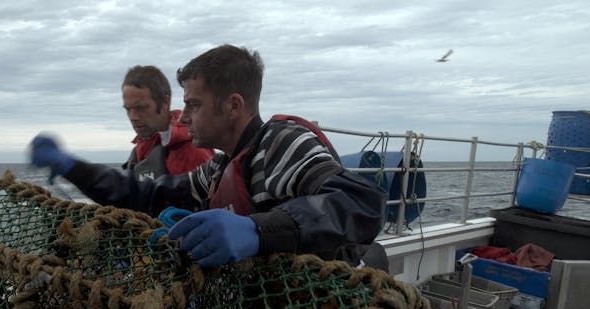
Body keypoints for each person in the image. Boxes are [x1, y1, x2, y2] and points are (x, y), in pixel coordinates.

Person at [30, 45, 386, 267]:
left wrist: (257, 229)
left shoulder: (282, 144)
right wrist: (72, 166)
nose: (183, 118)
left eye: (193, 105)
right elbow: (149, 194)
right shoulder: (218, 167)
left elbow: (363, 203)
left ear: (233, 105)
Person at [121, 65, 213, 180]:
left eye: (141, 108)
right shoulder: (141, 149)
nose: (133, 117)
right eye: (128, 109)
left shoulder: (191, 151)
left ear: (165, 102)